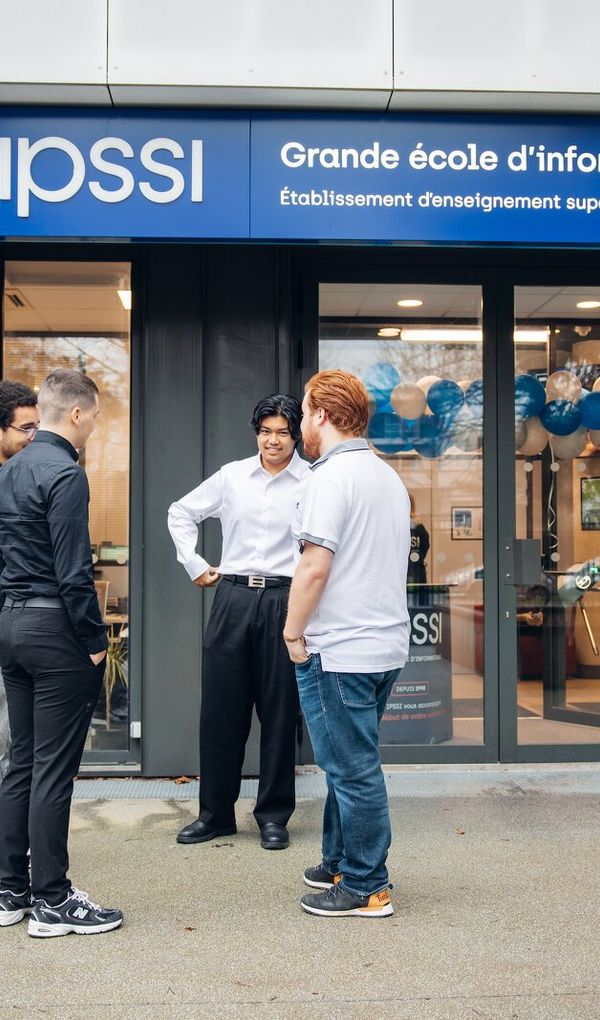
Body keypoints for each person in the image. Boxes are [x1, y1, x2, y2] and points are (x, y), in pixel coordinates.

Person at [0, 369, 123, 937]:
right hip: (56, 632)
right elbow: (74, 571)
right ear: (76, 414)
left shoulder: (11, 467)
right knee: (52, 770)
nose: (95, 426)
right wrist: (96, 642)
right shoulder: (65, 473)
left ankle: (10, 891)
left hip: (11, 625)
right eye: (94, 416)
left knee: (20, 762)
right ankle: (52, 901)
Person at [284, 370, 410, 918]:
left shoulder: (328, 478)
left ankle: (366, 885)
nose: (301, 423)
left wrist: (292, 633)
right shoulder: (386, 477)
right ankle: (338, 859)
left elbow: (315, 566)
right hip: (383, 646)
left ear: (323, 416)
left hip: (340, 650)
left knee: (353, 769)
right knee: (347, 763)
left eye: (306, 412)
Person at [168, 394, 309, 850]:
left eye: (283, 432)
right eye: (266, 431)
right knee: (221, 713)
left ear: (296, 436)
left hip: (286, 600)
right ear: (257, 433)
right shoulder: (232, 476)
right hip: (231, 597)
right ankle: (215, 815)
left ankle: (273, 816)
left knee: (280, 712)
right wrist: (195, 564)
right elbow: (181, 512)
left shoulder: (312, 481)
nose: (273, 440)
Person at [0, 382, 39, 785]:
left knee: (14, 744)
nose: (33, 437)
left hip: (13, 624)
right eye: (25, 429)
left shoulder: (28, 479)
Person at [407, 492, 430, 585]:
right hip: (416, 571)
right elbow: (425, 546)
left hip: (412, 572)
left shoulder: (418, 528)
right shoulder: (419, 528)